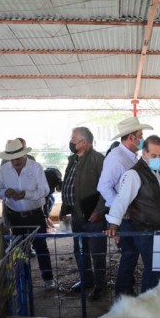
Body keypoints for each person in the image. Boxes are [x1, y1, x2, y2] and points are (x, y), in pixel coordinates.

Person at [105, 135, 160, 297]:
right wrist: (113, 224)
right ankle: (147, 305)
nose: (158, 159)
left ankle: (156, 302)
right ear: (144, 154)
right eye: (154, 155)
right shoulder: (133, 174)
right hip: (145, 230)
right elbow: (122, 200)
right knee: (154, 269)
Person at [97, 116, 153, 296]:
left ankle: (126, 292)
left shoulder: (131, 157)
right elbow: (104, 186)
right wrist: (121, 210)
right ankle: (122, 294)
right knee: (130, 255)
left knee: (132, 254)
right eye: (140, 136)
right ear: (131, 137)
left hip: (136, 215)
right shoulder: (116, 158)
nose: (142, 139)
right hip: (127, 217)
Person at [0, 138, 55, 290]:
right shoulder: (4, 170)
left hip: (35, 214)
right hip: (15, 215)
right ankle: (22, 282)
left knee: (41, 247)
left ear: (24, 154)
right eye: (12, 159)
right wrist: (5, 192)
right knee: (19, 249)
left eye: (18, 158)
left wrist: (26, 194)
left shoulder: (36, 167)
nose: (16, 161)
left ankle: (48, 279)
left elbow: (45, 190)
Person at [61, 127, 107, 300]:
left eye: (74, 139)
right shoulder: (73, 160)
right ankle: (86, 280)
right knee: (80, 250)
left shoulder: (98, 159)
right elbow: (70, 184)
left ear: (85, 142)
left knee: (97, 252)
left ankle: (100, 286)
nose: (71, 142)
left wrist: (99, 210)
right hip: (76, 214)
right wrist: (65, 206)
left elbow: (107, 187)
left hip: (93, 215)